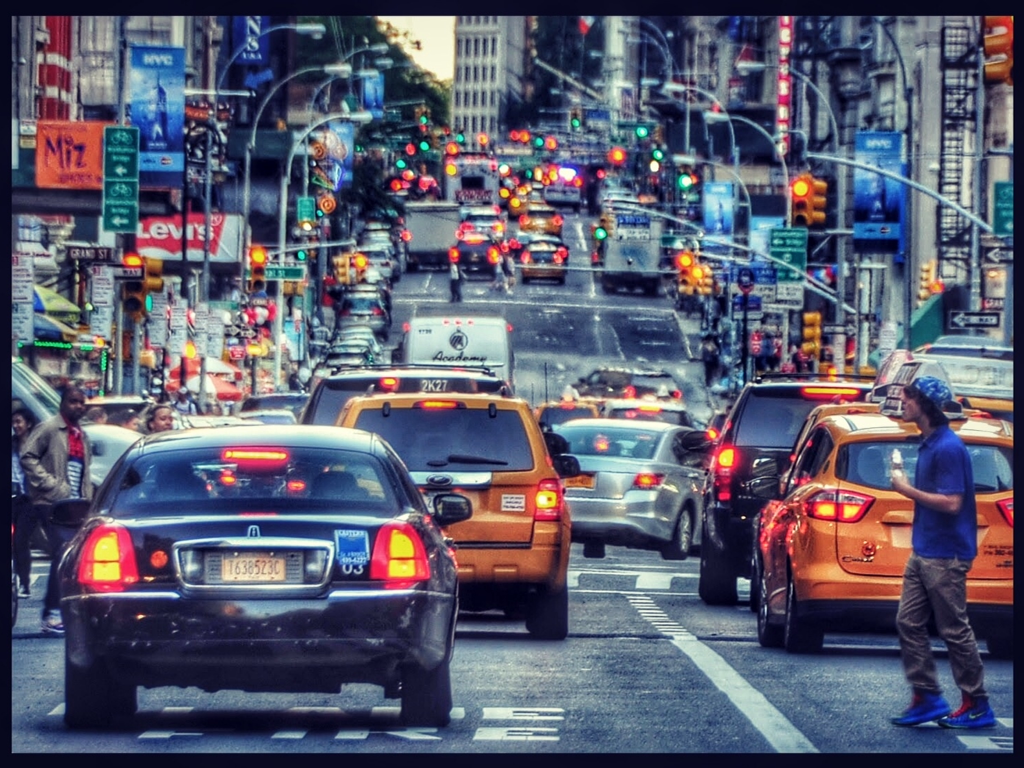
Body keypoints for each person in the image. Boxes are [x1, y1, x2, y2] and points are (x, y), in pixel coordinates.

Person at [888, 377, 995, 729]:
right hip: (924, 550)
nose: (903, 402)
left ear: (925, 405)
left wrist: (905, 489)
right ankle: (927, 696)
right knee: (908, 621)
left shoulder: (947, 447)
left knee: (953, 629)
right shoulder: (930, 443)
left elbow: (952, 503)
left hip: (945, 555)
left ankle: (976, 702)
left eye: (909, 398)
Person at [19, 385, 92, 635]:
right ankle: (50, 615)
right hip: (48, 502)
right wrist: (51, 485)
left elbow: (83, 471)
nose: (79, 407)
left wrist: (86, 499)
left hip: (72, 506)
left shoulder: (80, 435)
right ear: (63, 403)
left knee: (73, 555)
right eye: (74, 402)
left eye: (82, 403)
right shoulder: (50, 428)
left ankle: (65, 611)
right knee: (62, 553)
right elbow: (27, 456)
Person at [12, 406, 39, 599]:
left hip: (29, 500)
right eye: (13, 423)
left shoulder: (35, 445)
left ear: (28, 424)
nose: (16, 426)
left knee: (21, 541)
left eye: (19, 422)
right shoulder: (10, 444)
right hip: (11, 498)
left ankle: (25, 584)